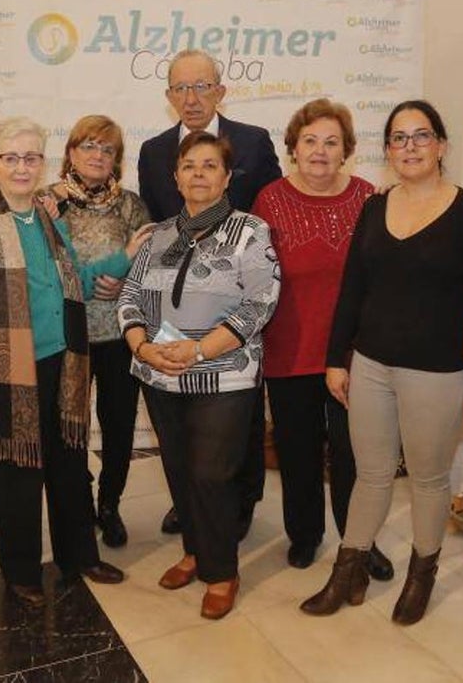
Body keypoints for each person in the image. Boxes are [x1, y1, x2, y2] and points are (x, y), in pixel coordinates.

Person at [301, 99, 463, 626]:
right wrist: (336, 358)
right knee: (370, 475)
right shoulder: (375, 207)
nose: (410, 147)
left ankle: (421, 575)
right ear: (387, 149)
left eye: (421, 135)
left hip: (437, 371)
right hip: (370, 364)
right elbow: (353, 289)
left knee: (428, 480)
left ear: (442, 145)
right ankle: (347, 573)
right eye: (398, 138)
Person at [0, 116, 151, 608]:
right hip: (9, 371)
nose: (21, 167)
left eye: (31, 157)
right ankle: (21, 572)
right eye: (10, 157)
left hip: (63, 363)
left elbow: (76, 279)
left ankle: (80, 556)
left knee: (69, 466)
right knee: (17, 472)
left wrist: (123, 256)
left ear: (42, 161)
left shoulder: (47, 219)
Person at [118, 131, 280, 620]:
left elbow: (260, 303)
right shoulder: (159, 234)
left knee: (213, 473)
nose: (199, 174)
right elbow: (130, 296)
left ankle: (222, 571)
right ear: (176, 177)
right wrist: (143, 346)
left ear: (227, 177)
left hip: (224, 374)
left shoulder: (251, 231)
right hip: (160, 374)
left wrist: (199, 349)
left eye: (210, 166)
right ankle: (194, 551)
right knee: (179, 469)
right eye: (189, 166)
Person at [138, 48, 282, 538]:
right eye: (181, 88)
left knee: (239, 419)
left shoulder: (254, 142)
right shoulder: (153, 151)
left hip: (237, 308)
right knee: (180, 421)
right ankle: (191, 504)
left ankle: (240, 501)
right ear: (168, 96)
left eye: (201, 86)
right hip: (175, 310)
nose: (192, 98)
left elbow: (271, 211)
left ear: (220, 91)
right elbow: (157, 225)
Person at [250, 98, 393, 580]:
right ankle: (305, 535)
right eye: (309, 141)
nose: (319, 151)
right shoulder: (270, 199)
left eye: (331, 142)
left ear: (347, 151)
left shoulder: (369, 198)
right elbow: (255, 277)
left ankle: (359, 542)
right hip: (289, 351)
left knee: (355, 456)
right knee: (298, 453)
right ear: (293, 148)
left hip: (354, 355)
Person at [44, 115, 151, 548]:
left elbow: (149, 269)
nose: (97, 155)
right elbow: (47, 271)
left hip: (120, 337)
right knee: (69, 428)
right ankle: (81, 502)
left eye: (107, 149)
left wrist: (126, 284)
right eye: (88, 145)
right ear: (71, 152)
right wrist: (114, 264)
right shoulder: (47, 204)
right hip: (66, 336)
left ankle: (110, 503)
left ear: (117, 160)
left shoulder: (131, 206)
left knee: (119, 426)